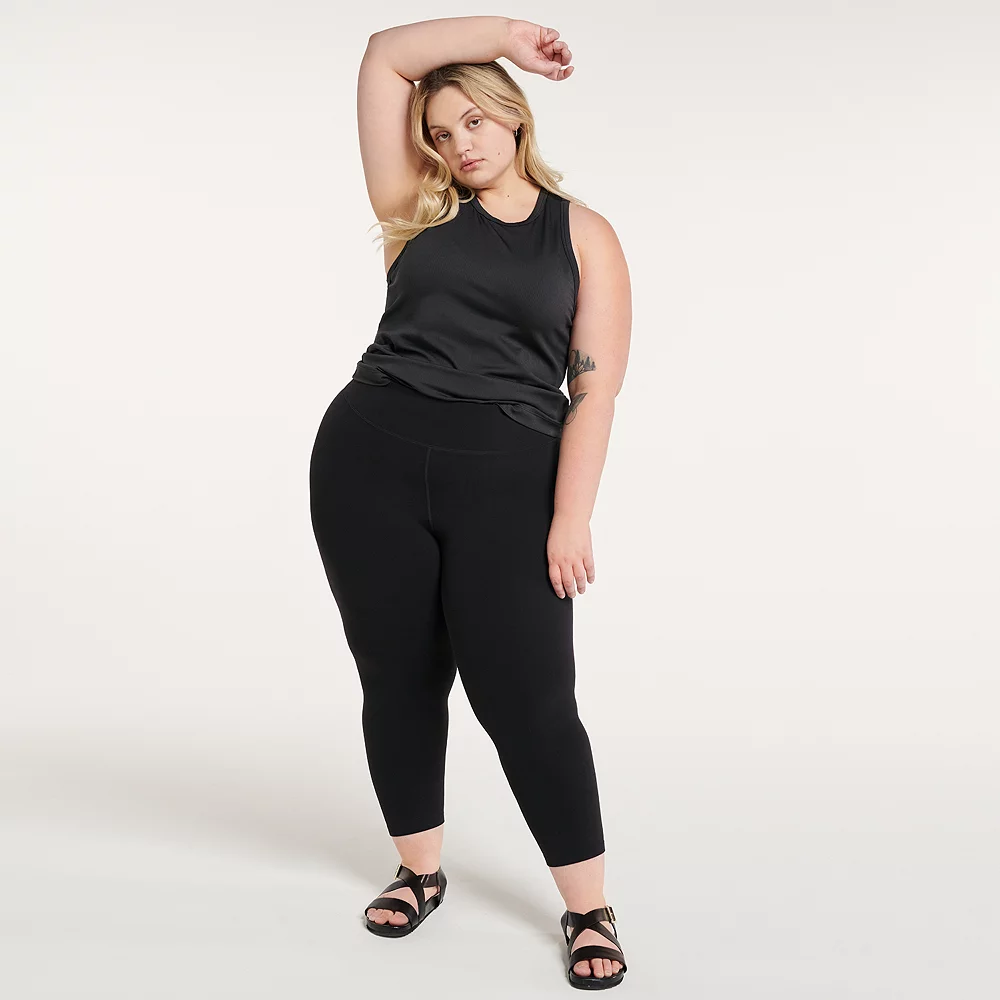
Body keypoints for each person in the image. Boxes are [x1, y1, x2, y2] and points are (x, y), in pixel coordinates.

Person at [308, 16, 632, 990]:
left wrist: (570, 515)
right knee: (397, 675)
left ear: (513, 115)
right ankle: (419, 870)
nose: (461, 144)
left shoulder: (582, 234)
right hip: (368, 461)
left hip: (508, 480)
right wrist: (500, 30)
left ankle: (589, 908)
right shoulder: (414, 207)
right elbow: (384, 54)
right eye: (442, 131)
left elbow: (594, 392)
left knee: (529, 699)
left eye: (476, 120)